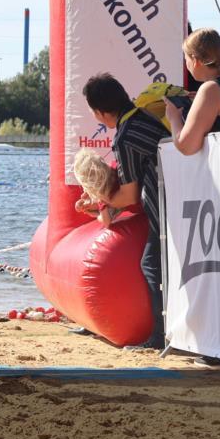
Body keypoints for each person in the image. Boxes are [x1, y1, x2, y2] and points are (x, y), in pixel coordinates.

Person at [78, 73, 170, 351]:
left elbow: (128, 196)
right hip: (182, 198)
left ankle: (159, 337)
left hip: (164, 205)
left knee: (151, 265)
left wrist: (99, 197)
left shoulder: (125, 136)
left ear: (100, 112)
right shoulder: (144, 116)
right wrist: (101, 203)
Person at [164, 28, 220, 155]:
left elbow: (186, 146)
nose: (186, 64)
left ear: (195, 61)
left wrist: (174, 117)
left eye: (186, 59)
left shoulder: (210, 89)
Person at [72, 149, 123, 228]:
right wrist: (88, 203)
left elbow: (107, 222)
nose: (84, 192)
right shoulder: (114, 167)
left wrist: (95, 214)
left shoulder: (102, 192)